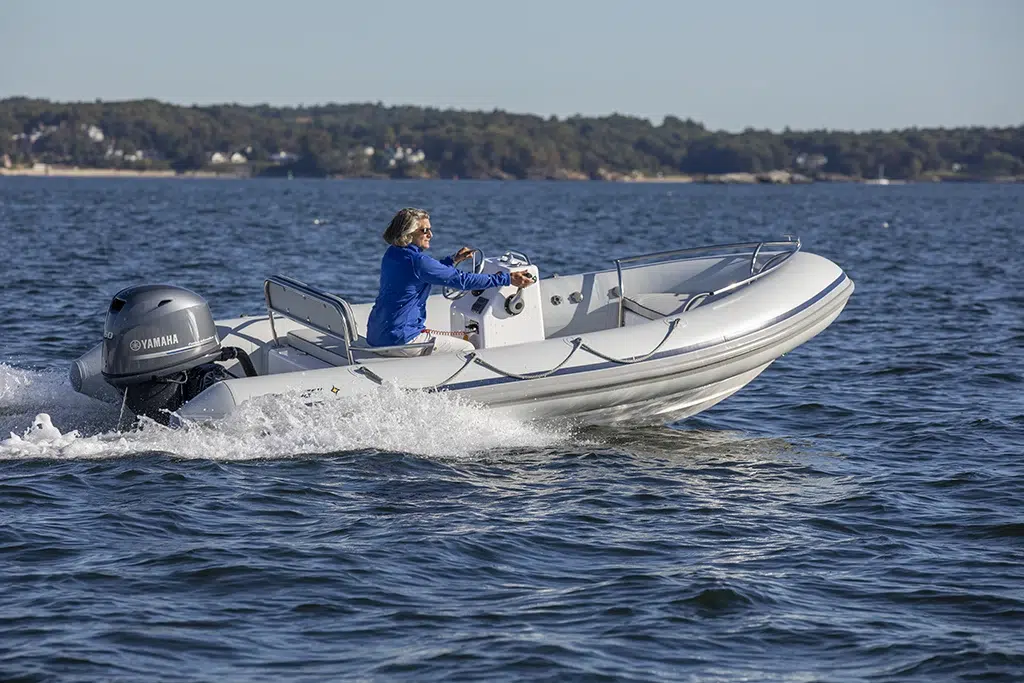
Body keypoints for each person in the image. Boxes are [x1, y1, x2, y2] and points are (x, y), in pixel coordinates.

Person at [365, 208, 535, 355]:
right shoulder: (418, 262)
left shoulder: (393, 254)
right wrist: (507, 278)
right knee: (467, 349)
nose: (430, 235)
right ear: (408, 233)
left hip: (377, 334)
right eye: (424, 230)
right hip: (402, 339)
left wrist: (453, 260)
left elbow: (427, 271)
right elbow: (462, 280)